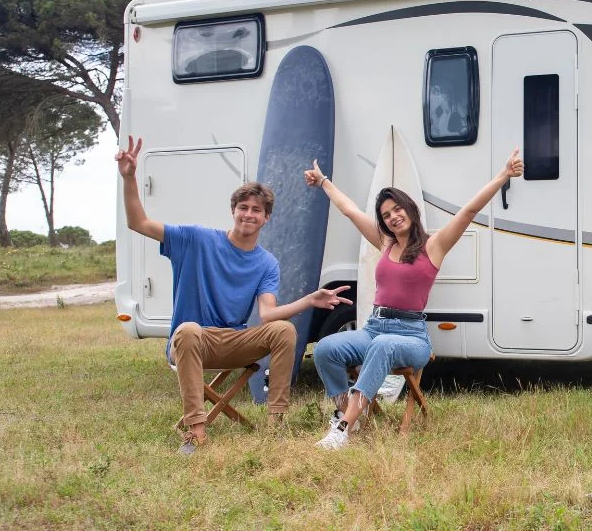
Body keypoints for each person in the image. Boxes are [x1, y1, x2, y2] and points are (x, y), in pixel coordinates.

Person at [116, 135, 352, 455]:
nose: (249, 214)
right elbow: (138, 222)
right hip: (193, 342)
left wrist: (310, 300)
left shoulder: (266, 262)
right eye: (243, 207)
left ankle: (275, 426)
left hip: (233, 341)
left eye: (257, 210)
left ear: (266, 218)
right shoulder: (196, 239)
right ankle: (196, 433)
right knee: (187, 330)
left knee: (284, 329)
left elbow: (268, 315)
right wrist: (129, 178)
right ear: (233, 210)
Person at [306, 149, 524, 450]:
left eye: (397, 209)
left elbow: (469, 211)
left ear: (409, 209)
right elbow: (350, 211)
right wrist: (323, 182)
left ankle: (344, 428)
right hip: (374, 328)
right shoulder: (384, 243)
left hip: (411, 336)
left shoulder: (434, 247)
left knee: (383, 346)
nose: (393, 217)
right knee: (326, 349)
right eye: (386, 215)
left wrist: (503, 176)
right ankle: (344, 410)